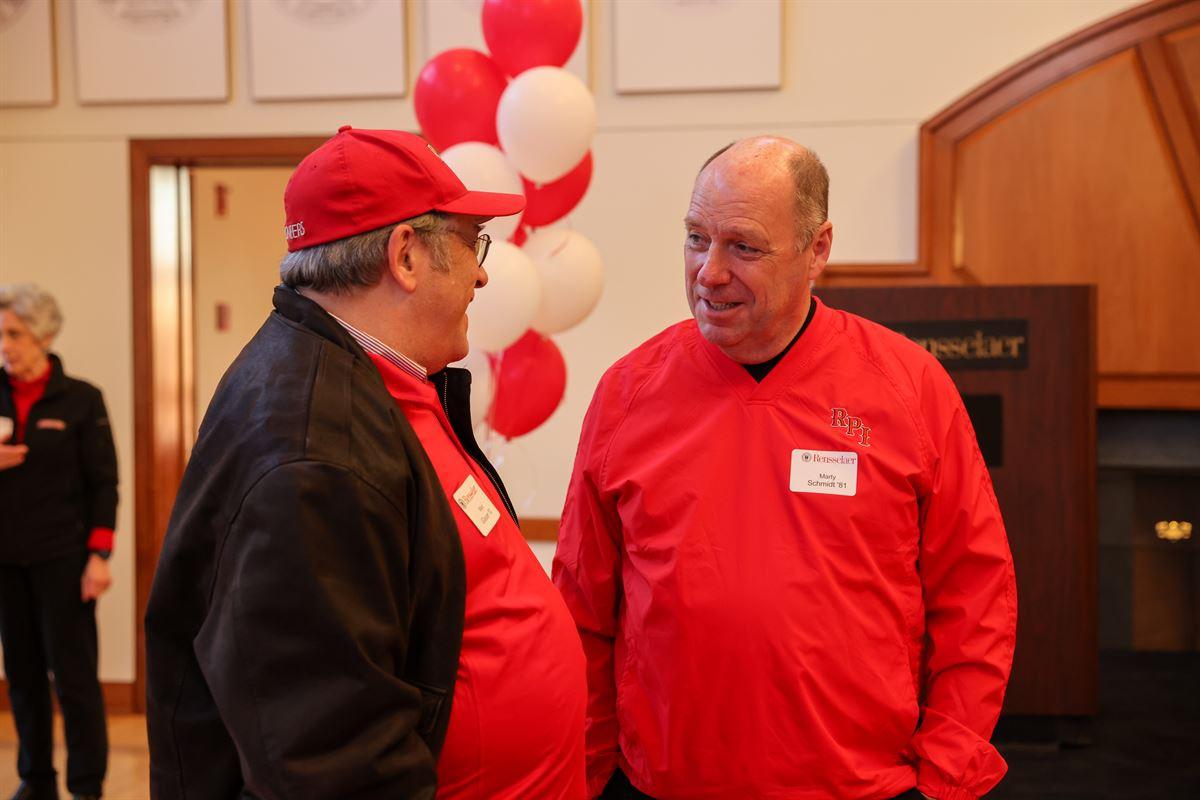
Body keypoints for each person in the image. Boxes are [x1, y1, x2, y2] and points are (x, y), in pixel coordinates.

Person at [553, 137, 1018, 800]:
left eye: (743, 247)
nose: (709, 272)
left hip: (861, 786)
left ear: (817, 249)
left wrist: (945, 773)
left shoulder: (908, 388)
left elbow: (976, 596)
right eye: (695, 238)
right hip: (661, 783)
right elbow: (582, 608)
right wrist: (590, 776)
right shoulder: (627, 392)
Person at [145, 127, 586, 800]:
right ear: (406, 255)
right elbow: (329, 758)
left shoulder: (382, 381)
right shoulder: (312, 447)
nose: (483, 271)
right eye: (473, 241)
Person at [0, 284, 117, 800]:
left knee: (74, 682)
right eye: (1, 334)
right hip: (6, 561)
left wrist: (99, 556)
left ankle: (87, 785)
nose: (5, 344)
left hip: (65, 562)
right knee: (22, 678)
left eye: (15, 334)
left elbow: (103, 484)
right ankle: (36, 780)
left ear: (44, 335)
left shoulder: (82, 399)